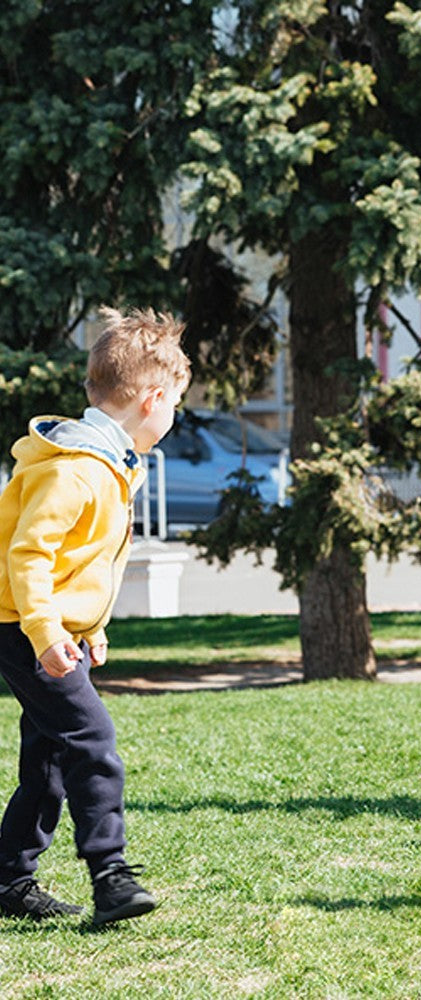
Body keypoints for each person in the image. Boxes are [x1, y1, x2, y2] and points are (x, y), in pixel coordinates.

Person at [0, 307, 190, 922]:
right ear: (153, 399)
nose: (173, 418)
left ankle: (8, 880)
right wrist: (48, 633)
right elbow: (29, 555)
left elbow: (79, 564)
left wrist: (89, 627)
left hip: (45, 626)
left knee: (51, 756)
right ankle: (110, 877)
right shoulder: (76, 471)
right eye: (175, 406)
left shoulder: (105, 466)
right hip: (22, 625)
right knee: (93, 740)